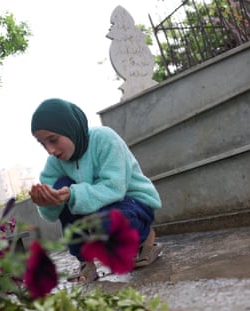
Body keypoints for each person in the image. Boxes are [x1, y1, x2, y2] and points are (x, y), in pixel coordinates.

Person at [28, 98, 162, 282]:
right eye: (42, 144)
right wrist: (47, 201)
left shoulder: (104, 139)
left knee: (105, 223)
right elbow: (51, 214)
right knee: (59, 187)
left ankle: (145, 237)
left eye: (53, 139)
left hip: (132, 201)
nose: (50, 149)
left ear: (70, 128)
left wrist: (73, 193)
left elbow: (114, 187)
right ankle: (85, 262)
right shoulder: (54, 164)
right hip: (96, 210)